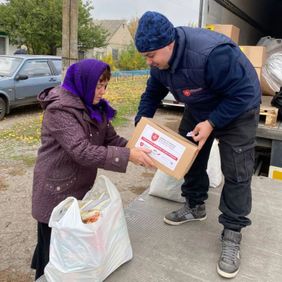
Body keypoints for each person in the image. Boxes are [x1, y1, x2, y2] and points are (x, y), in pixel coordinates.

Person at [134, 11, 260, 279]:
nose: (149, 62)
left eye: (151, 55)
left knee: (237, 171)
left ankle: (232, 232)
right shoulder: (160, 63)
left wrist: (213, 123)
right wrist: (141, 121)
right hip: (201, 106)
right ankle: (195, 205)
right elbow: (153, 92)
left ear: (169, 44)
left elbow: (245, 92)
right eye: (145, 56)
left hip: (238, 107)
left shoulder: (212, 54)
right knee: (187, 155)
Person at [31, 58, 155, 280]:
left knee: (70, 247)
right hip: (55, 190)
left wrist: (134, 149)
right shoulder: (60, 109)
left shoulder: (95, 108)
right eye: (98, 85)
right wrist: (128, 156)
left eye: (106, 85)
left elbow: (111, 138)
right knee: (51, 251)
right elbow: (82, 151)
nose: (102, 91)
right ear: (83, 81)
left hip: (77, 188)